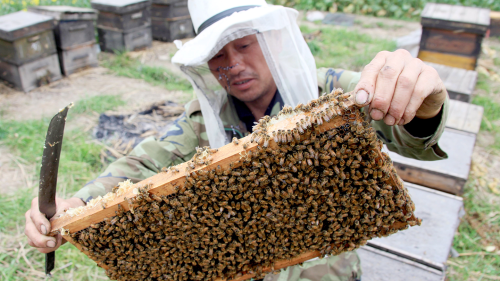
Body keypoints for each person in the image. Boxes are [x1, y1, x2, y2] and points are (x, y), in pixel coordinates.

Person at [24, 0, 448, 280]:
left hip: (325, 269)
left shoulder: (337, 95)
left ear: (273, 39)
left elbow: (411, 136)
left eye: (245, 45)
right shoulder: (202, 119)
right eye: (218, 56)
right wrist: (76, 206)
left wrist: (426, 101)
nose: (234, 65)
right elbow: (142, 163)